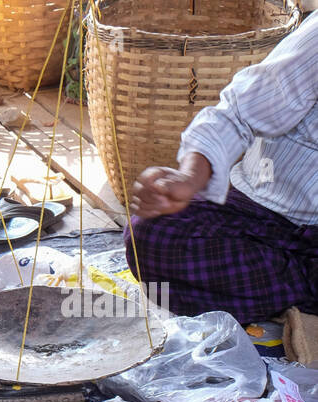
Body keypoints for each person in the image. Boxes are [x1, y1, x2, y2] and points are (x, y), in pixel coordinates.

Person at [127, 11, 318, 325]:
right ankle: (303, 286)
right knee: (153, 235)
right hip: (265, 215)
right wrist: (189, 176)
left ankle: (290, 291)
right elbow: (237, 114)